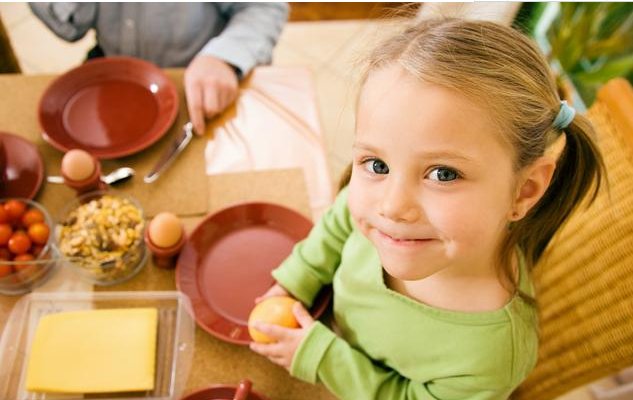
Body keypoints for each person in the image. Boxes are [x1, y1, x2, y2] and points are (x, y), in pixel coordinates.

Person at [249, 18, 605, 399]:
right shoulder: (386, 223)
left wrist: (323, 357)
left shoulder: (492, 354)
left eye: (443, 173)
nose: (392, 206)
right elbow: (340, 221)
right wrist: (295, 280)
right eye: (377, 165)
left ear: (524, 191)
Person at [29, 3, 289, 136]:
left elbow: (263, 7)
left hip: (200, 81)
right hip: (116, 79)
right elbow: (71, 27)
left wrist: (224, 58)